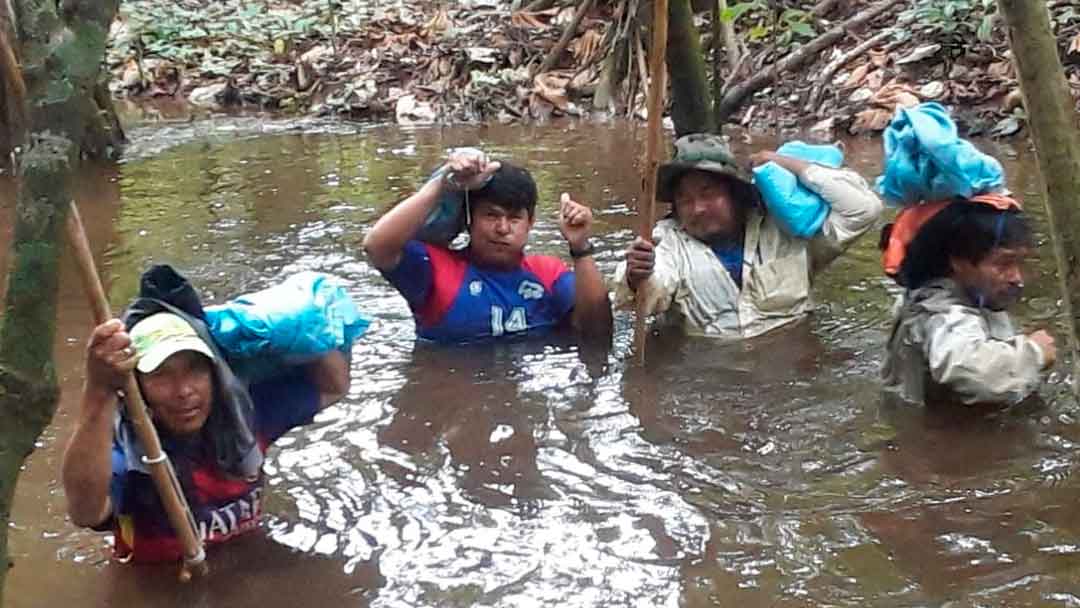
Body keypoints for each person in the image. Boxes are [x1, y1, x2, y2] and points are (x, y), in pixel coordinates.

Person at [61, 309, 350, 563]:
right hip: (161, 587)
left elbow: (333, 385)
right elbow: (85, 512)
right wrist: (99, 391)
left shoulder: (246, 417)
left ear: (215, 375)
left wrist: (304, 329)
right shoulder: (131, 453)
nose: (184, 391)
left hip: (246, 563)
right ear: (138, 388)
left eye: (195, 370)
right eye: (162, 375)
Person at [614, 133, 883, 339]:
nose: (697, 208)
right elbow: (647, 295)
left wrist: (785, 163)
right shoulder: (668, 242)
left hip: (790, 370)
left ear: (735, 195)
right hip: (708, 376)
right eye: (685, 200)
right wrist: (638, 274)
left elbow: (863, 209)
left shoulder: (787, 232)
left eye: (708, 194)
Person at [363, 148, 612, 343]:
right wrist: (442, 184)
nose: (502, 228)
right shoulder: (437, 269)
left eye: (514, 218)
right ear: (470, 219)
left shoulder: (548, 274)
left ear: (530, 223)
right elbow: (377, 246)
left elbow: (596, 333)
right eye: (491, 216)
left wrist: (580, 247)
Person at [881, 199, 1056, 406]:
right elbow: (973, 372)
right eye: (1003, 263)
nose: (1017, 277)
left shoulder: (932, 295)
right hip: (939, 434)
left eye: (1020, 263)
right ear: (959, 262)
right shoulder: (941, 314)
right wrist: (1033, 353)